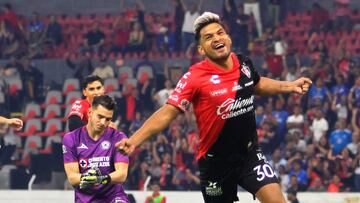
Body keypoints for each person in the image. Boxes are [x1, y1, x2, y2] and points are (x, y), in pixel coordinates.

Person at [116, 12, 312, 203]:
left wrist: (289, 86)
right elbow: (168, 112)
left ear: (228, 37)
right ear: (201, 49)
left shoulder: (243, 62)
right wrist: (134, 140)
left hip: (249, 156)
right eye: (209, 37)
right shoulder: (194, 77)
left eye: (220, 33)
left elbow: (257, 84)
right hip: (215, 163)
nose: (217, 38)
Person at [63, 95, 129, 202]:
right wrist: (88, 178)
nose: (103, 123)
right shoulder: (71, 138)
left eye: (108, 119)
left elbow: (122, 174)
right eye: (100, 117)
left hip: (113, 197)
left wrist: (100, 179)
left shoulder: (119, 137)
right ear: (90, 113)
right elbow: (72, 178)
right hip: (85, 199)